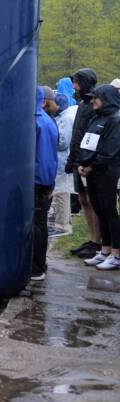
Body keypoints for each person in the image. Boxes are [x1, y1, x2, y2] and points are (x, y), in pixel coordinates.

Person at [76, 85, 120, 271]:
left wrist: (91, 166)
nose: (92, 100)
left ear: (107, 98)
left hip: (107, 172)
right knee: (100, 210)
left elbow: (110, 149)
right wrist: (80, 163)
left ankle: (116, 255)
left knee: (109, 211)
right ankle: (105, 250)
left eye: (96, 97)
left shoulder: (116, 119)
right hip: (92, 172)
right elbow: (86, 143)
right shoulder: (97, 118)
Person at [66, 68, 103, 259]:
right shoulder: (82, 104)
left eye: (77, 82)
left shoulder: (94, 104)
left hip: (88, 161)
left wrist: (87, 161)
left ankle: (97, 241)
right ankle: (92, 239)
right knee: (83, 200)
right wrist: (72, 159)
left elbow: (92, 136)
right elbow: (76, 134)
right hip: (78, 159)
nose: (74, 86)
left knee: (91, 200)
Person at [32, 87, 60, 281]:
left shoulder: (33, 121)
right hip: (46, 180)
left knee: (35, 225)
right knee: (40, 224)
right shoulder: (48, 120)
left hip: (34, 180)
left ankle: (35, 267)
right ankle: (40, 265)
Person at [51, 89, 78, 236]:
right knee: (59, 192)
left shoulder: (66, 118)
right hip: (57, 160)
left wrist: (49, 139)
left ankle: (62, 226)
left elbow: (63, 142)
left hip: (62, 160)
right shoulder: (61, 117)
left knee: (62, 193)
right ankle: (61, 223)